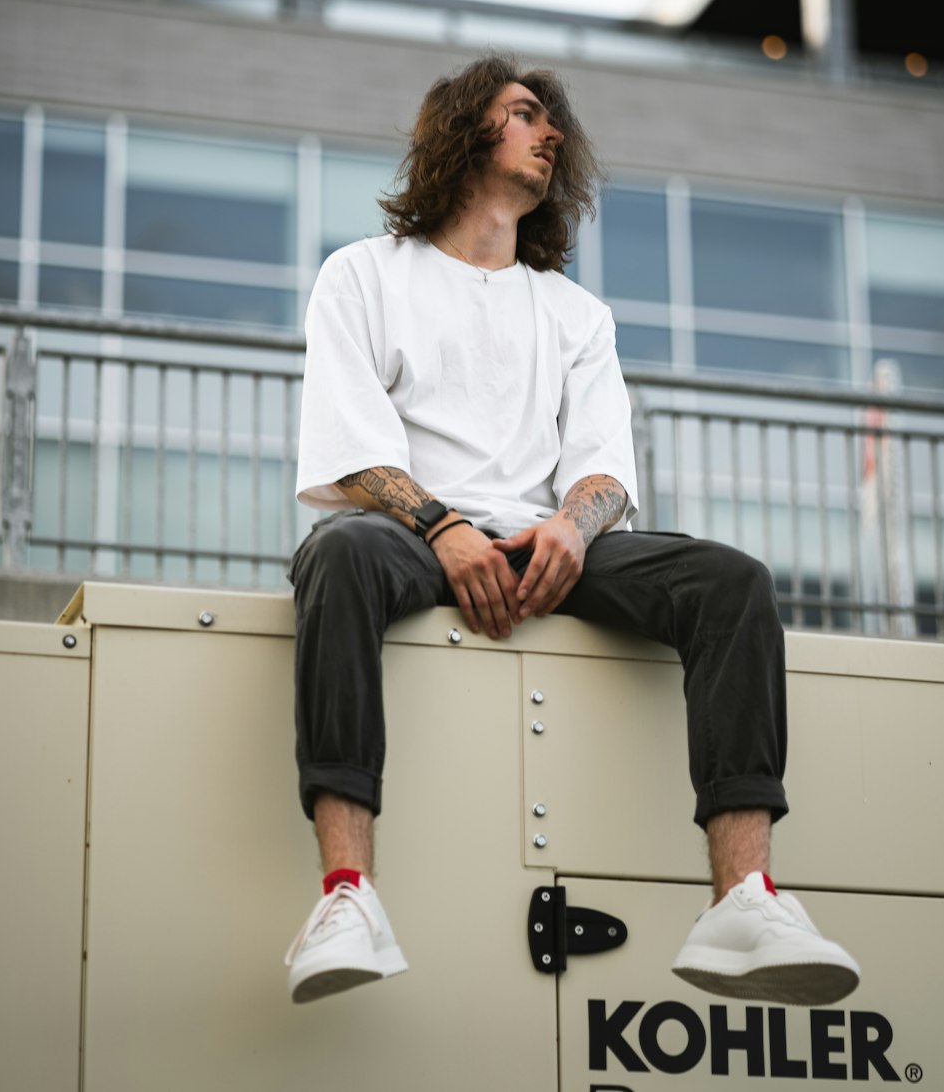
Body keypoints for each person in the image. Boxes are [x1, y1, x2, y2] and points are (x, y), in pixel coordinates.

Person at [284, 54, 860, 1009]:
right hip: (411, 538)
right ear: (465, 130)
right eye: (523, 114)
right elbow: (351, 452)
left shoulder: (576, 313)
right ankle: (348, 897)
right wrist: (444, 526)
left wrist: (572, 528)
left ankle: (743, 900)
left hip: (548, 547)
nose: (550, 133)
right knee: (338, 555)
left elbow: (602, 467)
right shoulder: (362, 276)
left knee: (734, 583)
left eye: (555, 123)